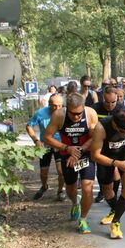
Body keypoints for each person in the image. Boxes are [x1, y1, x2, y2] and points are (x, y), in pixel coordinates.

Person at [43, 93, 100, 234]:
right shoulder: (58, 115)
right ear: (66, 108)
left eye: (79, 113)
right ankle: (75, 202)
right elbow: (47, 137)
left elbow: (95, 137)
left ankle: (83, 220)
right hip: (66, 155)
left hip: (85, 153)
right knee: (71, 187)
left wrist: (79, 151)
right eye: (73, 114)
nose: (76, 117)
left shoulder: (91, 113)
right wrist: (67, 149)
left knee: (88, 187)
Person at [89, 107, 125, 239]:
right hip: (106, 157)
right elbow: (94, 155)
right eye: (121, 131)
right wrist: (116, 163)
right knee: (107, 191)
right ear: (114, 123)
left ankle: (115, 222)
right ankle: (115, 209)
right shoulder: (101, 128)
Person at [26, 93, 66, 201]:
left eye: (59, 105)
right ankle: (44, 186)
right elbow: (29, 126)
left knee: (61, 170)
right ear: (49, 104)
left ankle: (60, 190)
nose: (57, 108)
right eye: (54, 105)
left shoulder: (66, 113)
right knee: (44, 171)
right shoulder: (41, 113)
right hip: (45, 144)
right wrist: (36, 140)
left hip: (60, 144)